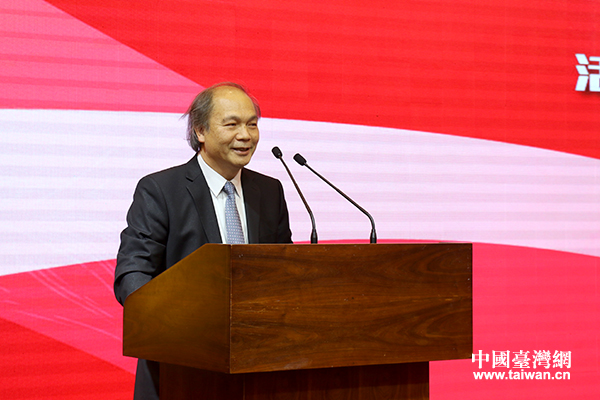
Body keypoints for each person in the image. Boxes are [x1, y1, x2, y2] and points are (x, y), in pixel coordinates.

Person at [114, 82, 293, 400]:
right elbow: (132, 273)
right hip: (179, 367)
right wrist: (167, 321)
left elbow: (285, 274)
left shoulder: (270, 191)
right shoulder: (160, 190)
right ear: (200, 131)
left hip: (257, 367)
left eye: (252, 124)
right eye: (232, 124)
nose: (245, 135)